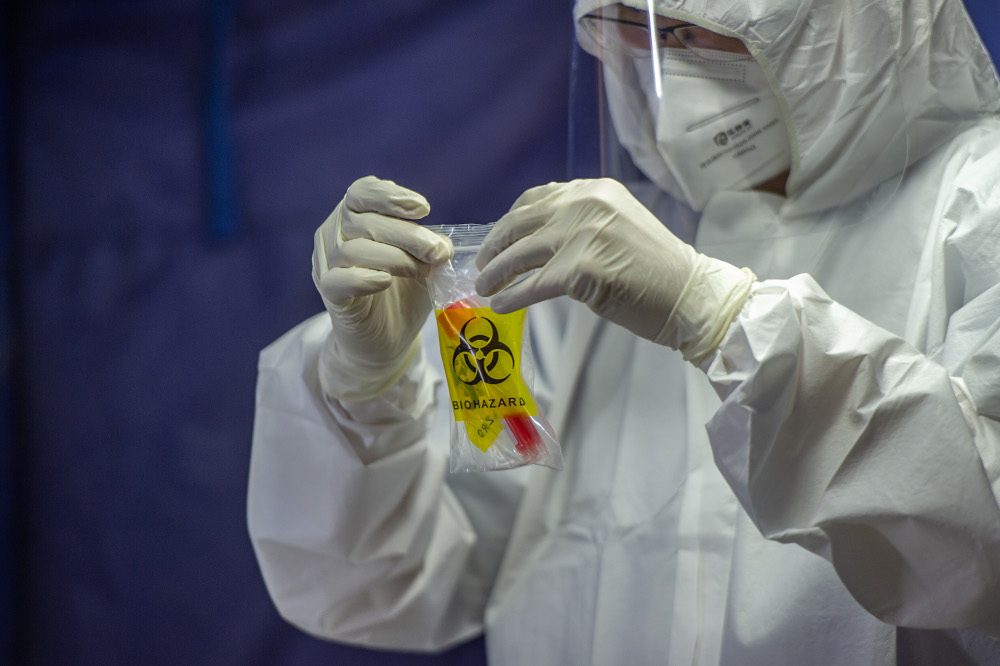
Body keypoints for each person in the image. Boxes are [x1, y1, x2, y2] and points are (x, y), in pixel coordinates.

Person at [247, 0, 1000, 662]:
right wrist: (361, 391)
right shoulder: (599, 257)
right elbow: (388, 590)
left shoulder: (979, 205)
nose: (664, 72)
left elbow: (978, 551)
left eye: (698, 33)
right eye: (634, 32)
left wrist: (718, 316)